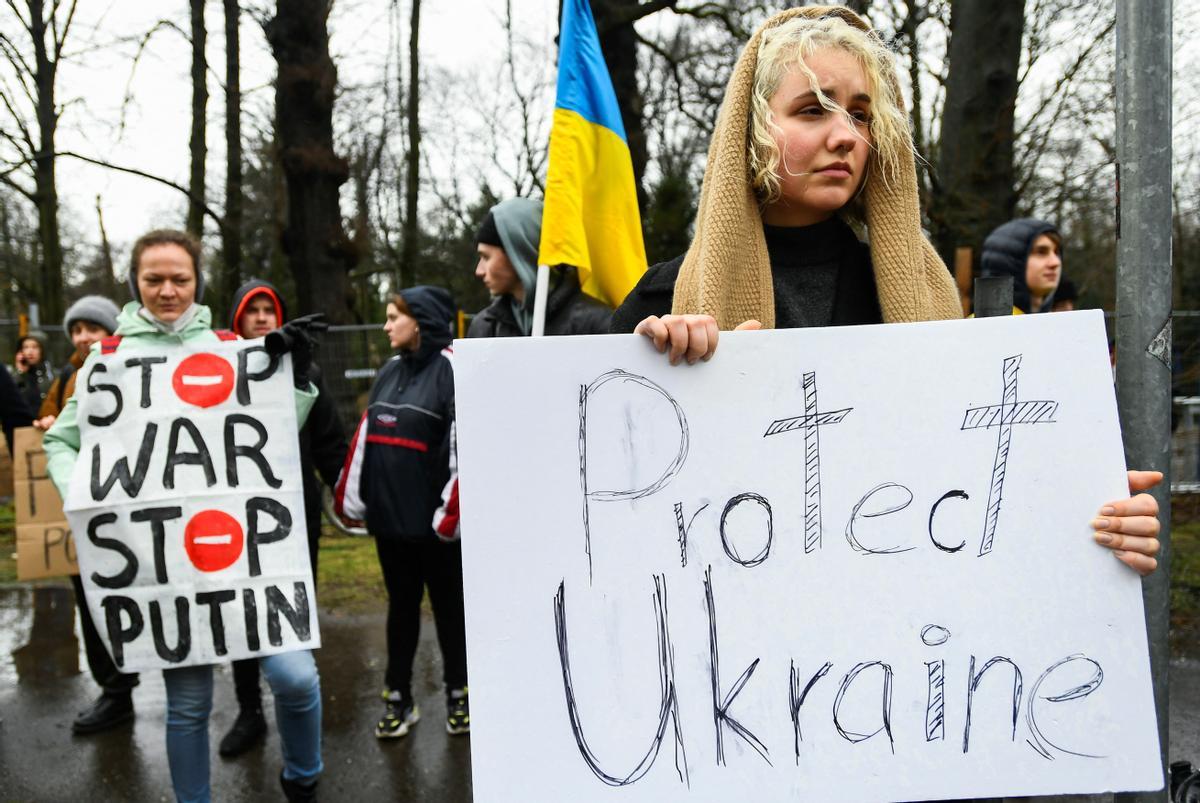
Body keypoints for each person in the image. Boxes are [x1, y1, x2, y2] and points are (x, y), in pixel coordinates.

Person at [611, 7, 1161, 576]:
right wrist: (657, 369)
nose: (846, 136)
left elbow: (976, 477)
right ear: (750, 131)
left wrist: (1078, 505)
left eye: (861, 115)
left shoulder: (921, 299)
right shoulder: (666, 301)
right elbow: (604, 505)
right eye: (811, 110)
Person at [43, 229, 324, 803]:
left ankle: (303, 775)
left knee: (296, 677)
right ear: (135, 284)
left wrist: (292, 377)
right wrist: (88, 495)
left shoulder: (229, 348)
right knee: (189, 704)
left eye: (180, 279)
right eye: (154, 280)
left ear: (197, 282)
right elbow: (62, 442)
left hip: (248, 554)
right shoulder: (109, 361)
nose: (168, 290)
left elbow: (271, 438)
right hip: (167, 565)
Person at [218, 279, 347, 759]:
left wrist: (348, 489)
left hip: (293, 518)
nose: (262, 319)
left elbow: (331, 442)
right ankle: (248, 709)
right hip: (230, 517)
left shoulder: (305, 371)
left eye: (269, 310)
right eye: (252, 310)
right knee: (237, 615)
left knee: (292, 607)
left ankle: (296, 702)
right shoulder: (216, 373)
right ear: (237, 318)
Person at [335, 286, 469, 739]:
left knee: (450, 612)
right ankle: (398, 697)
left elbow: (463, 448)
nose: (387, 325)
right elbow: (365, 439)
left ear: (422, 321)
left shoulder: (452, 370)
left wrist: (448, 520)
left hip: (437, 533)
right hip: (390, 529)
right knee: (401, 611)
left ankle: (460, 694)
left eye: (395, 317)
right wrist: (352, 502)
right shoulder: (389, 370)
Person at [28, 294, 140, 735]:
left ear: (111, 331)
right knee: (95, 603)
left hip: (132, 508)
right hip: (86, 513)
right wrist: (48, 423)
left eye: (92, 328)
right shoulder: (66, 378)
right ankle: (115, 692)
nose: (83, 337)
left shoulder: (134, 369)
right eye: (76, 330)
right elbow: (48, 423)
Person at [469, 197, 611, 337]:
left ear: (519, 253)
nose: (479, 271)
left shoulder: (595, 324)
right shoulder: (484, 326)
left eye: (486, 257)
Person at [979, 217, 1063, 314]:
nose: (1055, 262)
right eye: (1041, 252)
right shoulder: (981, 327)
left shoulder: (1056, 325)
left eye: (1056, 253)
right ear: (1010, 262)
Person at [13, 331, 53, 413]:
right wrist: (21, 373)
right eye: (25, 347)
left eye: (35, 347)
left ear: (43, 350)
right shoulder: (17, 377)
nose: (30, 352)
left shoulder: (52, 376)